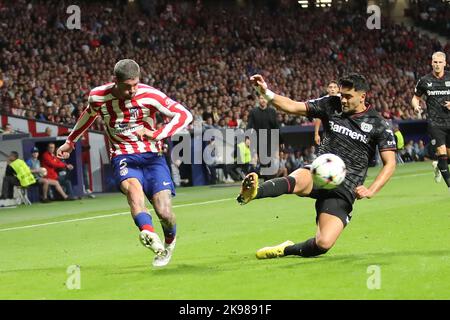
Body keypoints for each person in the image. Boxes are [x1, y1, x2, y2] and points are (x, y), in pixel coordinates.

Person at [237, 73, 396, 260]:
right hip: (319, 172)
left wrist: (371, 190)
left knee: (323, 243)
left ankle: (285, 249)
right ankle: (254, 192)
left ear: (362, 96)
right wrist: (265, 92)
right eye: (342, 95)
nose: (342, 100)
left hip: (345, 188)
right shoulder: (331, 104)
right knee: (296, 180)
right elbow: (292, 106)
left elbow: (390, 163)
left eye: (348, 96)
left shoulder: (378, 124)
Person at [56, 59, 192, 267]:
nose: (133, 90)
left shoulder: (150, 95)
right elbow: (89, 115)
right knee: (134, 195)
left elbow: (184, 115)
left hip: (152, 158)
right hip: (123, 156)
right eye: (128, 86)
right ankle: (149, 235)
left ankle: (169, 242)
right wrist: (70, 141)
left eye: (136, 84)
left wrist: (156, 134)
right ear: (116, 82)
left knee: (164, 213)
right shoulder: (99, 96)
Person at [411, 51, 450, 190]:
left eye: (440, 62)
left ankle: (439, 165)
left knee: (446, 157)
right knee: (442, 151)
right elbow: (416, 97)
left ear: (445, 63)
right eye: (435, 62)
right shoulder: (424, 80)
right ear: (431, 63)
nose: (437, 65)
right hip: (435, 122)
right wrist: (416, 107)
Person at [314, 80, 340, 146]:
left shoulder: (343, 100)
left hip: (341, 132)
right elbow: (318, 117)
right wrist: (316, 134)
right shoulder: (322, 101)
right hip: (328, 133)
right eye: (330, 87)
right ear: (327, 89)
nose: (332, 89)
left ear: (338, 89)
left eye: (334, 87)